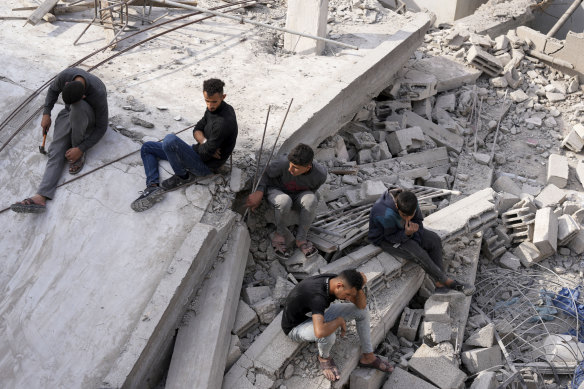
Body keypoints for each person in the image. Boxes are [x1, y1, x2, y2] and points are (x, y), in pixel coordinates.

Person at [11, 67, 108, 213]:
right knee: (56, 149)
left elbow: (101, 127)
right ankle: (41, 197)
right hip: (70, 111)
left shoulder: (97, 91)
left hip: (88, 116)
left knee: (77, 109)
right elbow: (52, 90)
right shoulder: (65, 76)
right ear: (67, 85)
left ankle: (77, 153)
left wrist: (81, 148)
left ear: (83, 95)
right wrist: (46, 113)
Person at [131, 78, 238, 212]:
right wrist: (204, 142)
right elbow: (197, 128)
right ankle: (152, 185)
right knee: (147, 148)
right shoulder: (212, 110)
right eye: (207, 101)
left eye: (214, 102)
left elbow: (205, 156)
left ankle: (183, 177)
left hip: (205, 166)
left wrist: (204, 147)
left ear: (223, 97)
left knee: (170, 140)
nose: (210, 105)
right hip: (197, 152)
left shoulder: (223, 123)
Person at [282, 269, 393, 382]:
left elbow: (361, 305)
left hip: (314, 314)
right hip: (295, 327)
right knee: (327, 335)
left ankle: (368, 356)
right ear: (339, 286)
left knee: (362, 312)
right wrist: (338, 321)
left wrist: (359, 287)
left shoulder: (335, 280)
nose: (349, 299)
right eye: (348, 294)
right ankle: (323, 358)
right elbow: (319, 332)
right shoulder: (318, 297)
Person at [368, 188, 475, 296]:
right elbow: (391, 237)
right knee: (418, 252)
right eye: (404, 216)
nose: (408, 218)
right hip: (386, 238)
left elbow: (418, 221)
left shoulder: (411, 202)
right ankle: (448, 282)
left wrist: (414, 235)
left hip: (404, 230)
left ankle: (439, 285)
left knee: (434, 239)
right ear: (397, 207)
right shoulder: (385, 213)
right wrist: (407, 234)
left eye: (411, 215)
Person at [245, 143, 326, 258]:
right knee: (284, 201)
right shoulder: (283, 163)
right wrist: (259, 191)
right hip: (277, 190)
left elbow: (312, 190)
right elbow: (264, 173)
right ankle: (279, 235)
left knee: (312, 199)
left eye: (295, 168)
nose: (290, 169)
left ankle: (301, 239)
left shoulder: (320, 175)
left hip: (298, 194)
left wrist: (304, 205)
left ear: (308, 167)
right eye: (290, 165)